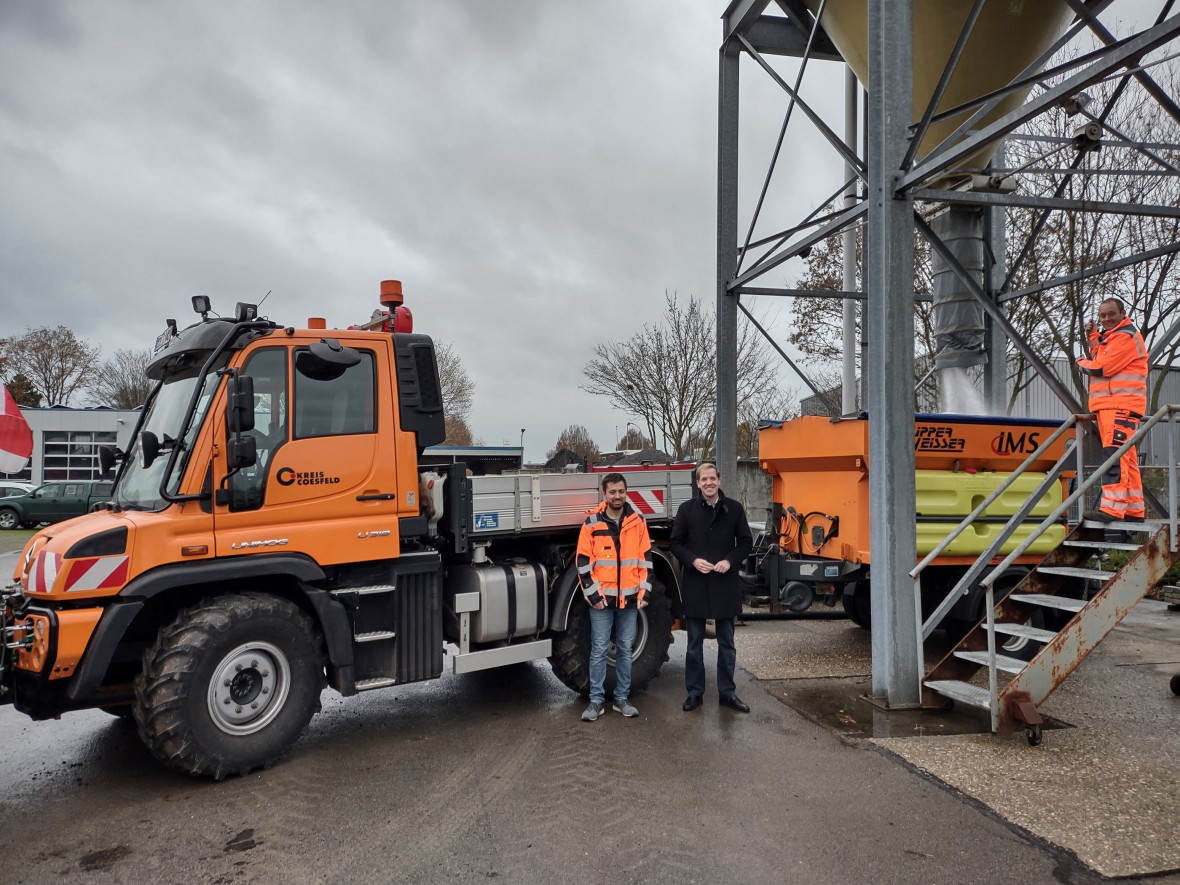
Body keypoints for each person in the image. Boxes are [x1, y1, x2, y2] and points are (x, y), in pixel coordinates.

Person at [670, 462, 753, 713]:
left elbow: (746, 542)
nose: (708, 483)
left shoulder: (734, 509)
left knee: (727, 643)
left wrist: (730, 560)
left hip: (724, 584)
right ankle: (694, 693)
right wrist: (693, 560)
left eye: (712, 478)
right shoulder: (686, 510)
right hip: (696, 583)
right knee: (694, 643)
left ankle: (727, 693)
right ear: (697, 483)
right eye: (703, 479)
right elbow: (675, 543)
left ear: (719, 480)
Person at [575, 472, 652, 721]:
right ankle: (596, 701)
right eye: (612, 492)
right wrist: (594, 595)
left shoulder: (638, 521)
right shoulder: (591, 523)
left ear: (625, 492)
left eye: (621, 491)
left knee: (625, 651)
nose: (617, 496)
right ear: (604, 494)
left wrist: (645, 592)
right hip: (601, 603)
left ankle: (621, 698)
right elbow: (583, 563)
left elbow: (645, 562)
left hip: (629, 601)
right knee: (598, 650)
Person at [1076, 297, 1148, 523]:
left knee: (1113, 457)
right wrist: (1093, 337)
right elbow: (1102, 354)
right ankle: (1134, 510)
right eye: (1103, 315)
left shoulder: (1125, 337)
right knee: (1125, 457)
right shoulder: (1116, 337)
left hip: (1119, 407)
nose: (1106, 318)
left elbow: (1101, 367)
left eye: (1111, 314)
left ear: (1122, 313)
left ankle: (1112, 509)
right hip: (1115, 406)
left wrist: (1081, 362)